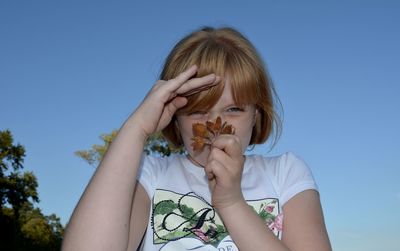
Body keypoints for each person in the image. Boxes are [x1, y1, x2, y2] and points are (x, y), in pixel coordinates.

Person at [62, 27, 332, 251]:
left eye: (234, 109)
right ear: (174, 119)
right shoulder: (150, 175)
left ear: (256, 115)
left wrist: (231, 203)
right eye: (196, 111)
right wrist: (136, 129)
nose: (217, 125)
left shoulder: (286, 173)